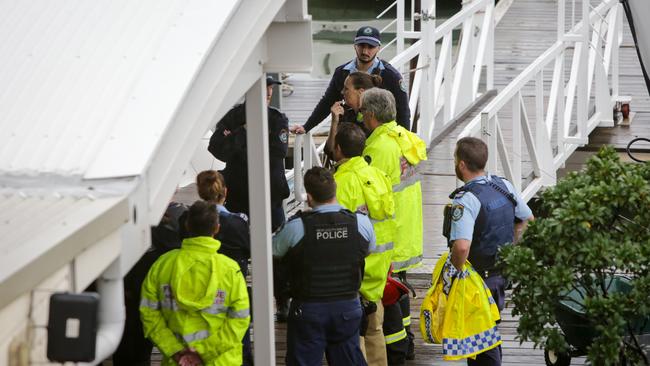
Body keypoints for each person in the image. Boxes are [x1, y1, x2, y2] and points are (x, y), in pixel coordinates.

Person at [446, 137, 534, 366]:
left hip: (477, 280)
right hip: (500, 274)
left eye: (455, 159)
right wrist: (511, 249)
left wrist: (454, 272)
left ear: (462, 165)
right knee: (488, 332)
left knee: (482, 344)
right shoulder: (503, 185)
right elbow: (527, 219)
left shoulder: (466, 200)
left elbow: (462, 246)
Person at [272, 167, 374, 366]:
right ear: (335, 191)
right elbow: (367, 250)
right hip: (348, 306)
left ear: (309, 198)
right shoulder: (360, 223)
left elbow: (273, 251)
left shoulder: (296, 227)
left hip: (309, 309)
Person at [140, 201, 251, 366]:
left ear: (187, 225)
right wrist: (204, 352)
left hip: (176, 362)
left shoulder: (163, 265)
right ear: (217, 228)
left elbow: (149, 314)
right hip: (221, 361)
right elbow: (240, 320)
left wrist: (175, 351)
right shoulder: (230, 270)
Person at [332, 123, 396, 366]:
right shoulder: (379, 177)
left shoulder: (341, 182)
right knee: (375, 329)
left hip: (353, 274)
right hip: (379, 269)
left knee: (353, 335)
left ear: (338, 150)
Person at [292, 26, 410, 135]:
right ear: (355, 46)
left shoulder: (391, 76)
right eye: (361, 46)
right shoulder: (341, 72)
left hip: (380, 137)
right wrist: (306, 127)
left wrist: (404, 146)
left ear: (379, 48)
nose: (365, 51)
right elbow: (327, 102)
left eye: (370, 47)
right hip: (349, 137)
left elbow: (403, 111)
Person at [208, 76, 290, 232]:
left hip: (270, 197)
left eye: (271, 88)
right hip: (238, 197)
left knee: (277, 246)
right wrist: (244, 131)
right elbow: (217, 149)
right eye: (264, 87)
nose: (269, 92)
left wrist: (238, 148)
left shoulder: (277, 119)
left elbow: (278, 152)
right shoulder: (233, 117)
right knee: (235, 241)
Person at [361, 88, 427, 273]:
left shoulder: (378, 148)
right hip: (409, 232)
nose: (360, 118)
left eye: (361, 112)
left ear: (371, 114)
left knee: (389, 293)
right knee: (400, 289)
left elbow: (370, 193)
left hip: (390, 235)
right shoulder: (406, 138)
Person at [195, 170, 253, 366]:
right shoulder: (238, 222)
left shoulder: (189, 220)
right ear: (225, 192)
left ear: (200, 192)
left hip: (198, 291)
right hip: (232, 289)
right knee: (239, 334)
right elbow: (248, 249)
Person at [325, 72, 382, 160]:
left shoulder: (374, 119)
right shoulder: (346, 113)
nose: (342, 92)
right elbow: (330, 152)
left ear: (361, 92)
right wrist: (334, 121)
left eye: (346, 89)